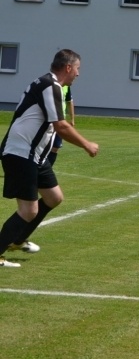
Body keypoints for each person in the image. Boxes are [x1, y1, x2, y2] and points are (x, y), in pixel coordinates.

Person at [0, 49, 99, 268]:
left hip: (34, 155)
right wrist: (86, 144)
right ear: (68, 68)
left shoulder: (53, 86)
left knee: (54, 197)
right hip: (20, 152)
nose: (78, 74)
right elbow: (60, 126)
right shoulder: (50, 85)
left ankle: (17, 240)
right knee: (29, 210)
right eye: (78, 69)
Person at [47, 85, 75, 165]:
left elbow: (69, 101)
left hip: (61, 121)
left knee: (56, 147)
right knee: (45, 146)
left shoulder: (66, 86)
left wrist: (72, 119)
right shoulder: (50, 85)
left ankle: (48, 168)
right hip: (50, 121)